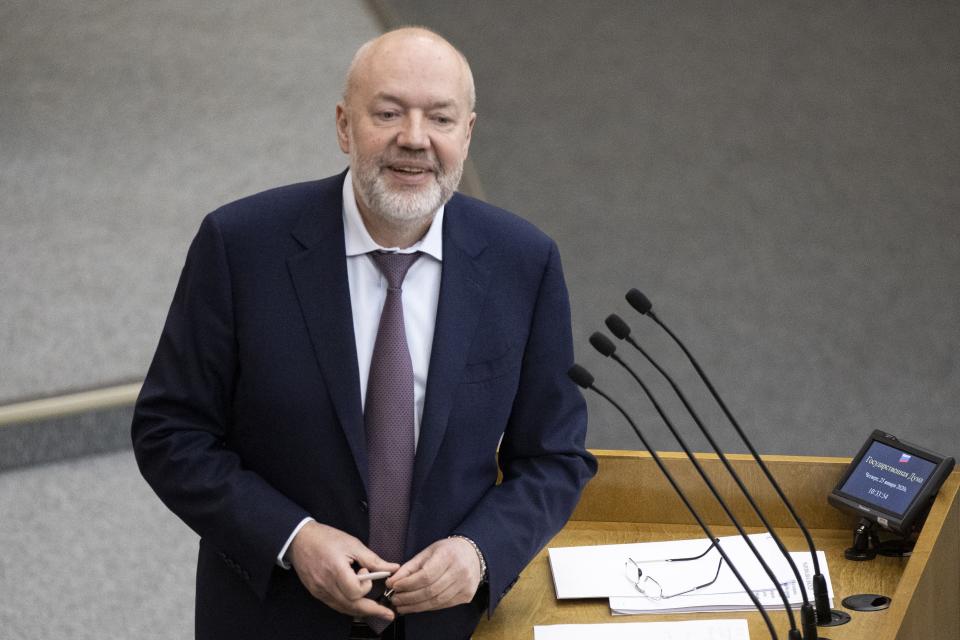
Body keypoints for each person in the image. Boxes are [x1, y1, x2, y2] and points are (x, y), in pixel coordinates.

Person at [132, 27, 596, 640]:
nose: (414, 139)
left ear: (467, 134)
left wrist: (479, 552)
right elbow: (171, 431)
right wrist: (292, 538)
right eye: (388, 113)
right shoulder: (240, 246)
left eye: (440, 118)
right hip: (275, 615)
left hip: (449, 625)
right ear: (345, 126)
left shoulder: (523, 263)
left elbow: (554, 456)